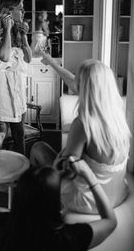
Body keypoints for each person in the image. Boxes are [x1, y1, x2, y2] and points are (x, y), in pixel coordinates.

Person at [30, 54, 131, 214]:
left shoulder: (84, 123)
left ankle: (44, 206)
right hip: (116, 195)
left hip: (90, 201)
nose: (76, 84)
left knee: (38, 148)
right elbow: (72, 80)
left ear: (85, 88)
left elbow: (66, 171)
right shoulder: (118, 118)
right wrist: (51, 63)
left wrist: (62, 155)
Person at [0, 159, 117, 251]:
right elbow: (110, 221)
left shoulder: (3, 224)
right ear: (55, 203)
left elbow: (35, 192)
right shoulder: (67, 239)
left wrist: (51, 174)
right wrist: (89, 175)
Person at [0, 0, 32, 154]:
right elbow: (4, 57)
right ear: (9, 11)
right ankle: (0, 169)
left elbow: (28, 58)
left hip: (16, 86)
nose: (24, 11)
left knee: (19, 133)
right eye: (20, 8)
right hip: (0, 88)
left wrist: (24, 35)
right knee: (1, 135)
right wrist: (7, 29)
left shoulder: (18, 28)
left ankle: (21, 168)